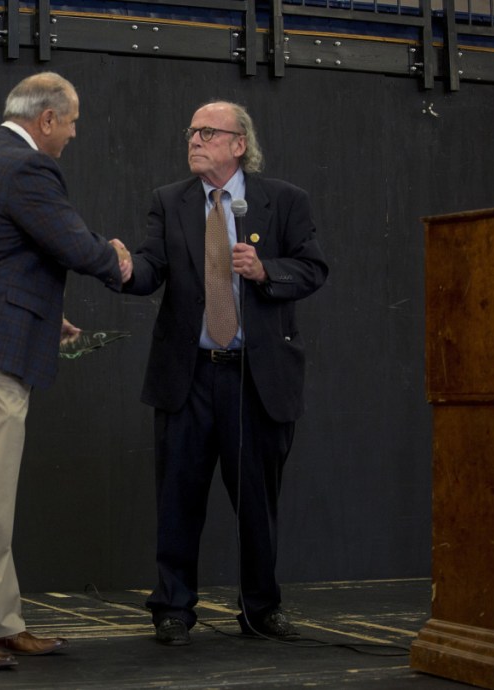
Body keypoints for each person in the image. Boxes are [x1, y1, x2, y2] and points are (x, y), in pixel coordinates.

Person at [0, 72, 132, 669]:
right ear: (46, 119)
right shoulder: (26, 166)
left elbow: (1, 260)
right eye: (71, 121)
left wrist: (44, 319)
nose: (73, 133)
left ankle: (1, 619)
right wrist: (117, 259)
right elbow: (71, 244)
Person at [123, 101, 328, 646]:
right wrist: (122, 268)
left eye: (208, 132)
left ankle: (261, 607)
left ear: (240, 143)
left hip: (255, 378)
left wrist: (266, 270)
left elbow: (312, 268)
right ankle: (172, 609)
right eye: (191, 132)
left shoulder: (283, 202)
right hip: (188, 376)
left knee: (257, 502)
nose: (194, 140)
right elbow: (149, 269)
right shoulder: (169, 203)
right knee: (178, 499)